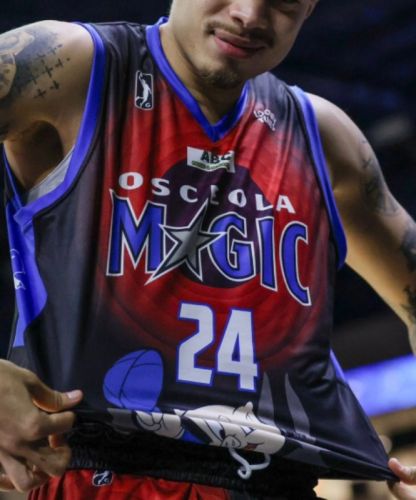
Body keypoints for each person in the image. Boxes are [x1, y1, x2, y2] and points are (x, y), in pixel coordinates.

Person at [0, 0, 415, 498]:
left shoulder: (325, 138)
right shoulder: (68, 64)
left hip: (278, 483)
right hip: (104, 469)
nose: (250, 15)